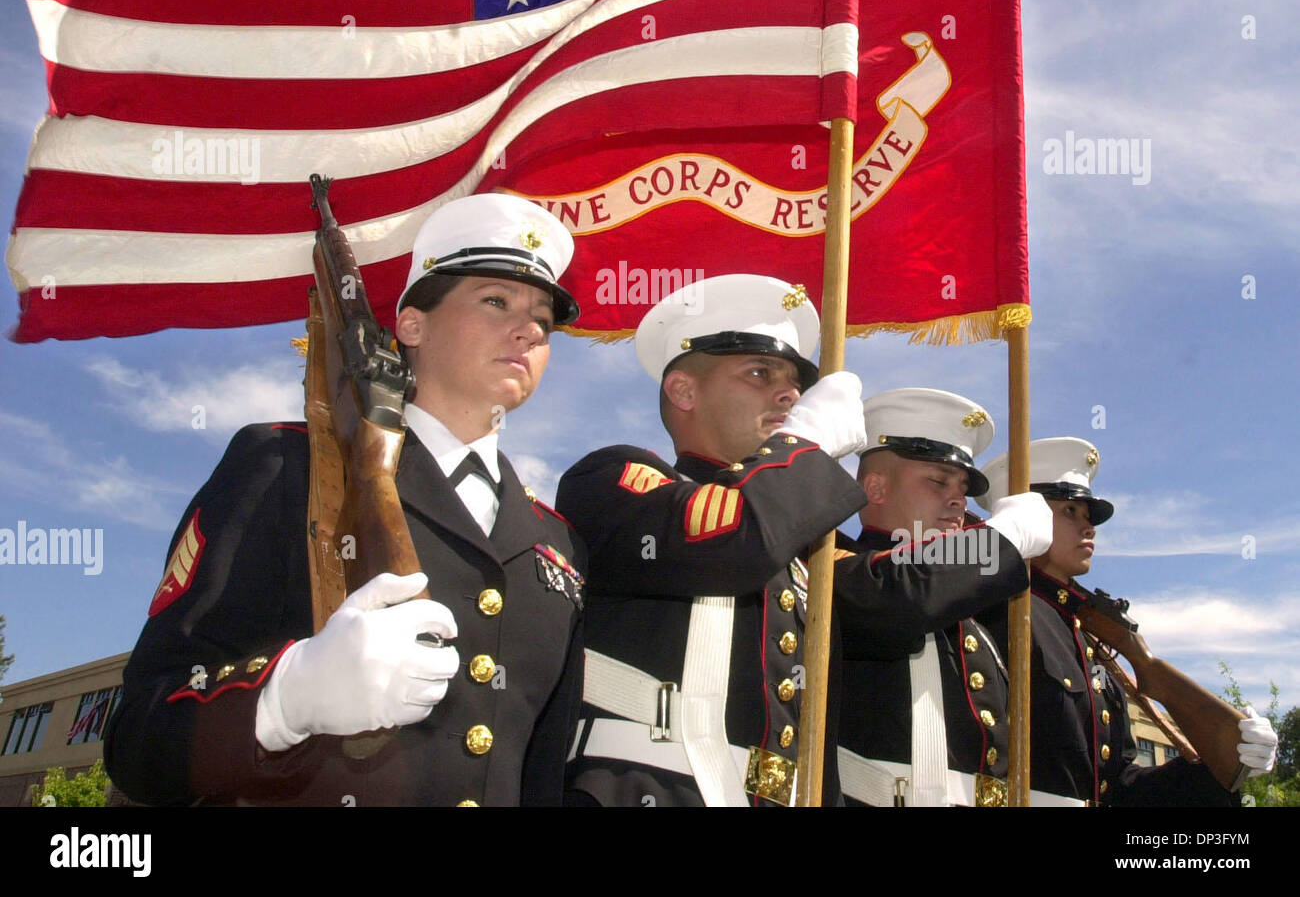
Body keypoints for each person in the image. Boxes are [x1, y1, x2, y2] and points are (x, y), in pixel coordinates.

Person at [104, 193, 586, 806]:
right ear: (412, 323)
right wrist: (287, 698)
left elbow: (543, 772)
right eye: (496, 301)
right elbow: (140, 735)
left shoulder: (559, 544)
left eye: (543, 320)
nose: (528, 330)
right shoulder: (287, 467)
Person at [557, 274, 869, 806]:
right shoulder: (612, 478)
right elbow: (731, 537)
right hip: (646, 784)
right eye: (759, 372)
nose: (789, 393)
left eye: (795, 382)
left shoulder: (803, 545)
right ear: (683, 390)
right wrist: (806, 444)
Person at [977, 436, 1278, 806]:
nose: (1089, 528)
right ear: (1023, 516)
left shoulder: (1088, 639)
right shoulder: (994, 609)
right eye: (1069, 511)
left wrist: (1219, 765)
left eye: (1089, 517)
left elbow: (1117, 785)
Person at [834, 387, 1053, 806]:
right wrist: (1002, 539)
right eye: (937, 480)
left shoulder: (969, 614)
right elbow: (907, 594)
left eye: (964, 488)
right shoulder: (835, 568)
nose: (958, 499)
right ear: (875, 488)